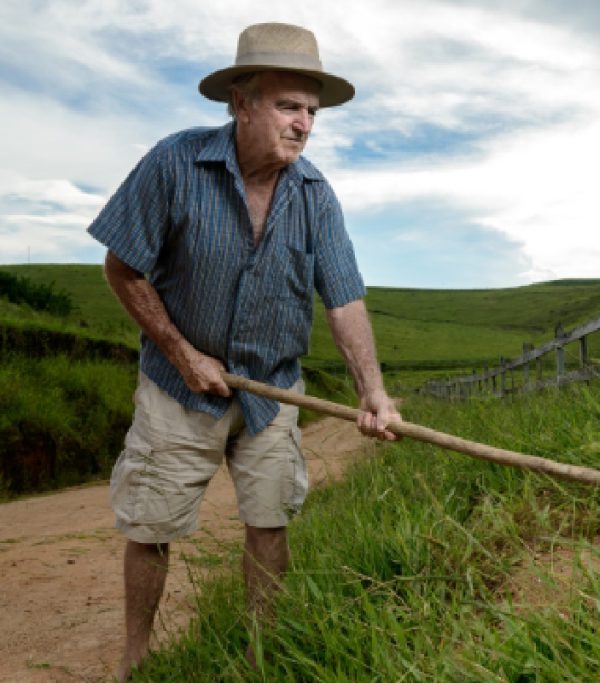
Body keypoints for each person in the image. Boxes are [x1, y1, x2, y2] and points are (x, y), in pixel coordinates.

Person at [87, 22, 401, 681]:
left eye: (311, 112)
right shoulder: (175, 164)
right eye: (289, 106)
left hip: (271, 391)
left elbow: (342, 298)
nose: (304, 124)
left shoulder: (315, 196)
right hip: (179, 386)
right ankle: (135, 659)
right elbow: (122, 268)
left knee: (270, 520)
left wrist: (372, 389)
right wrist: (180, 353)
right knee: (151, 523)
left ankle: (262, 657)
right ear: (242, 101)